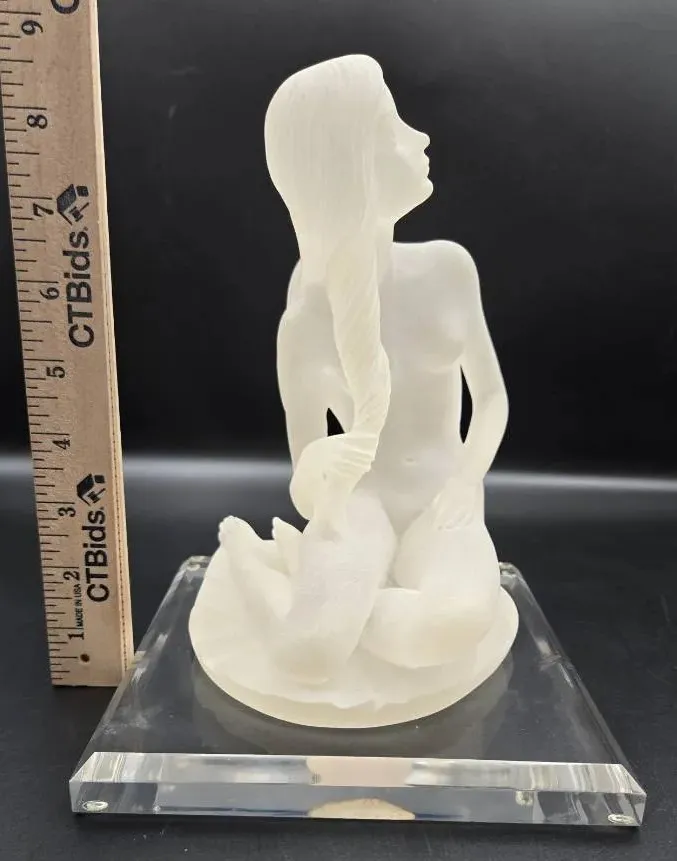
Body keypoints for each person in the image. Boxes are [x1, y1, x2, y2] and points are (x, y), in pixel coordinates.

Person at [190, 55, 517, 724]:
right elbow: (304, 483)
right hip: (359, 502)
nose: (420, 138)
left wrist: (466, 480)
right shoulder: (307, 321)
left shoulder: (449, 269)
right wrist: (322, 467)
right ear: (352, 170)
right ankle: (248, 561)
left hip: (440, 495)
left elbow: (490, 398)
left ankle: (337, 598)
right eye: (395, 129)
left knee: (450, 624)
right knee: (308, 654)